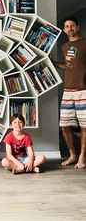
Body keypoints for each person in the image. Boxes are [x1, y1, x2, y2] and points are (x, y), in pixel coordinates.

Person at [52, 16, 86, 169]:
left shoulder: (85, 43)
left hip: (83, 90)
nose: (69, 28)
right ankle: (72, 155)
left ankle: (82, 158)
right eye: (66, 26)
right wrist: (53, 62)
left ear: (77, 27)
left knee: (85, 125)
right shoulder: (65, 46)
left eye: (72, 26)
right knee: (64, 125)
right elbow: (68, 65)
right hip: (68, 90)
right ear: (64, 29)